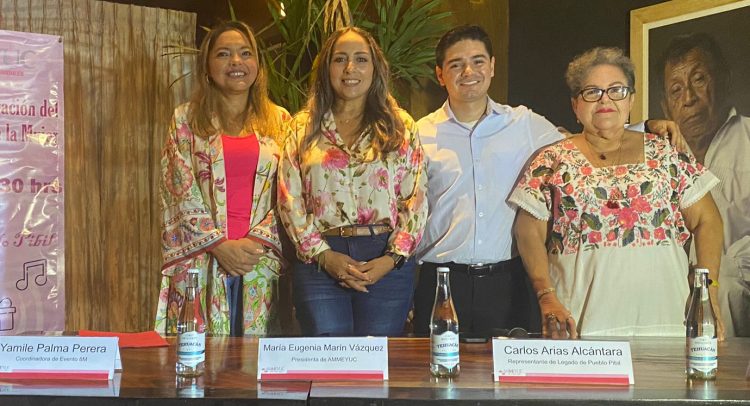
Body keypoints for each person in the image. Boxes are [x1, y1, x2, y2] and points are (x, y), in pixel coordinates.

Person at [411, 25, 683, 337]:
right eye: (456, 64)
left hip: (508, 282)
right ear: (440, 74)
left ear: (493, 66)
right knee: (436, 377)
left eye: (478, 61)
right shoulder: (419, 133)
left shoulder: (523, 123)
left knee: (508, 381)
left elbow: (585, 136)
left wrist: (644, 127)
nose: (468, 71)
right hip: (441, 281)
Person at [510, 47, 724, 338]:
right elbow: (528, 231)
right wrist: (546, 294)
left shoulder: (666, 153)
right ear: (575, 105)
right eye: (592, 92)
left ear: (632, 99)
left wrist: (707, 290)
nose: (605, 100)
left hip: (665, 322)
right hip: (581, 326)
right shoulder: (551, 160)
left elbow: (708, 220)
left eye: (616, 90)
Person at [277, 27, 428, 336]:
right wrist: (323, 255)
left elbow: (416, 198)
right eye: (340, 59)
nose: (350, 69)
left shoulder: (400, 126)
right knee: (327, 365)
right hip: (320, 258)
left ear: (375, 68)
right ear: (325, 69)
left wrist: (391, 259)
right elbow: (288, 199)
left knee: (378, 364)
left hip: (385, 258)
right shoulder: (302, 128)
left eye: (361, 59)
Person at [155, 21, 290, 337]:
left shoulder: (281, 121)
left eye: (245, 53)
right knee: (199, 367)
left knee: (255, 370)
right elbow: (179, 187)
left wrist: (254, 244)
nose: (236, 62)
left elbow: (290, 193)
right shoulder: (185, 120)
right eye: (224, 54)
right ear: (207, 66)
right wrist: (219, 245)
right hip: (201, 260)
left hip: (260, 261)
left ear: (257, 65)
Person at [657, 32, 750, 337]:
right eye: (676, 90)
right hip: (671, 283)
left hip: (735, 283)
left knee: (719, 286)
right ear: (666, 105)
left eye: (698, 80)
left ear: (724, 80)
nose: (689, 99)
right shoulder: (661, 158)